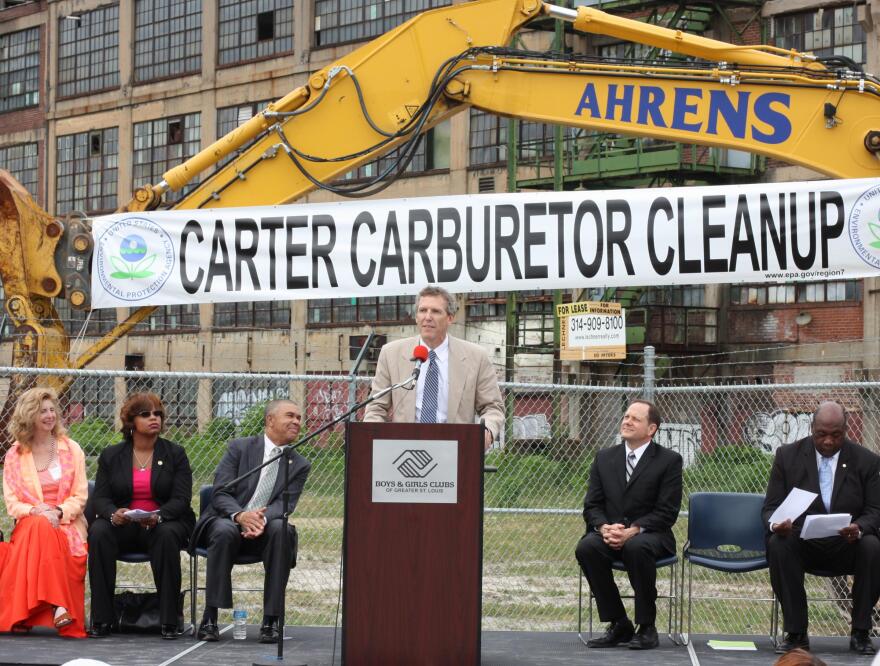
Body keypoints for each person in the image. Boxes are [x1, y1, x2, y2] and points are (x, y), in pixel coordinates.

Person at [763, 401, 880, 656]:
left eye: (836, 435)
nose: (828, 441)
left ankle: (860, 631)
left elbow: (875, 511)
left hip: (846, 543)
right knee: (778, 544)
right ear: (811, 428)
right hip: (802, 542)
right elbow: (770, 507)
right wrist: (777, 524)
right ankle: (796, 634)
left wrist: (858, 527)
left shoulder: (867, 461)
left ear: (846, 431)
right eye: (821, 434)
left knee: (872, 545)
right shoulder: (787, 456)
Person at [192, 399, 310, 644]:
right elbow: (220, 492)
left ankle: (271, 621)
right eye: (290, 415)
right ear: (270, 420)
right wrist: (241, 516)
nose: (297, 422)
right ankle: (210, 617)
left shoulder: (299, 464)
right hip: (228, 522)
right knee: (224, 530)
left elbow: (284, 504)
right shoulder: (240, 448)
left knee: (282, 529)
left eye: (299, 417)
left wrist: (260, 520)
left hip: (264, 530)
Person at [575, 400, 682, 650]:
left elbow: (667, 512)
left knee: (637, 548)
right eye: (625, 416)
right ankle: (619, 623)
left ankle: (647, 627)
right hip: (611, 533)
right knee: (587, 547)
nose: (627, 421)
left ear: (651, 428)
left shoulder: (669, 461)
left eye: (635, 418)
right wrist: (604, 528)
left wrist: (633, 530)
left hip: (651, 535)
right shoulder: (604, 457)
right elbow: (592, 505)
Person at [87, 393, 195, 639]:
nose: (153, 418)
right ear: (131, 421)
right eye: (145, 414)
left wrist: (158, 515)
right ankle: (102, 619)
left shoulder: (175, 453)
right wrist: (114, 514)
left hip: (163, 523)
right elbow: (101, 498)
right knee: (99, 532)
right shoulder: (111, 455)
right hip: (124, 524)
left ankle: (169, 620)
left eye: (157, 413)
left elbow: (181, 499)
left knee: (166, 535)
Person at [363, 285, 504, 448]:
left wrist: (487, 431)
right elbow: (376, 407)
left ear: (450, 318)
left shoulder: (476, 357)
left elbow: (493, 407)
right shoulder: (391, 353)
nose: (427, 317)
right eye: (422, 310)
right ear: (416, 316)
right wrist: (373, 438)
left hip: (457, 450)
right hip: (403, 452)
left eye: (436, 311)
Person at [0, 386, 88, 637]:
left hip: (66, 523)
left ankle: (33, 611)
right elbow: (12, 503)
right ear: (29, 417)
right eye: (42, 412)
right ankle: (59, 604)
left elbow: (80, 496)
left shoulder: (71, 449)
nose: (50, 416)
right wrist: (36, 511)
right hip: (30, 521)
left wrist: (58, 512)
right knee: (38, 525)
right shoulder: (15, 455)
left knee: (42, 528)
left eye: (52, 410)